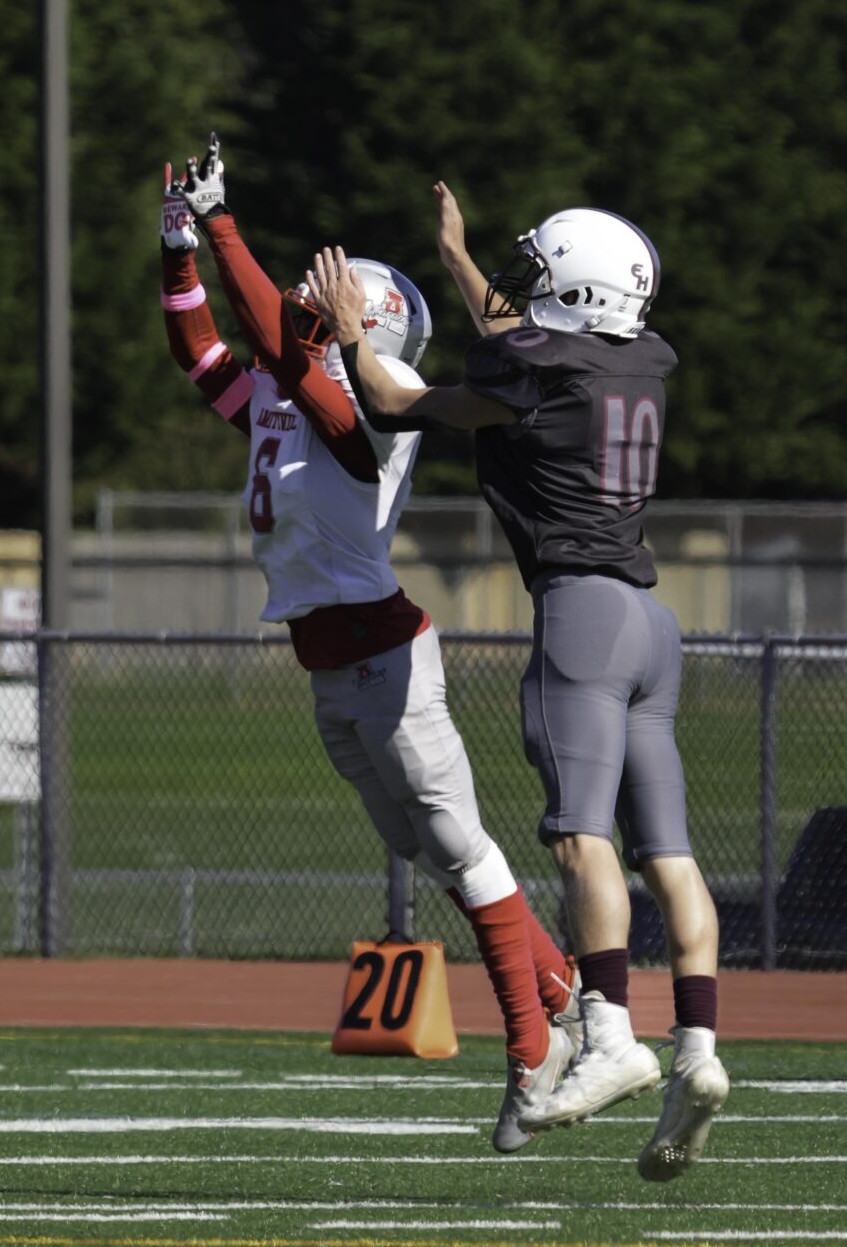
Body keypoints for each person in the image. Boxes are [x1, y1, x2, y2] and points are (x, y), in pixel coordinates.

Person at [162, 144, 579, 1149]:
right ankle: (563, 990)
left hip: (386, 657)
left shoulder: (376, 396)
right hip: (326, 657)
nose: (298, 317)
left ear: (370, 323)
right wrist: (175, 248)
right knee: (426, 851)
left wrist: (222, 225)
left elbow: (287, 353)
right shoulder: (288, 387)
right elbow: (203, 353)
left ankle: (532, 1055)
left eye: (322, 308)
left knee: (462, 850)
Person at [312, 193, 729, 1181]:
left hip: (581, 613)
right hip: (650, 619)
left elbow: (390, 400)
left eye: (539, 278)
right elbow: (525, 341)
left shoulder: (534, 374)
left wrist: (344, 336)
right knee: (666, 854)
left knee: (580, 838)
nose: (520, 295)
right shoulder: (642, 356)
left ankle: (610, 1035)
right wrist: (455, 256)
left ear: (576, 293)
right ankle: (700, 1052)